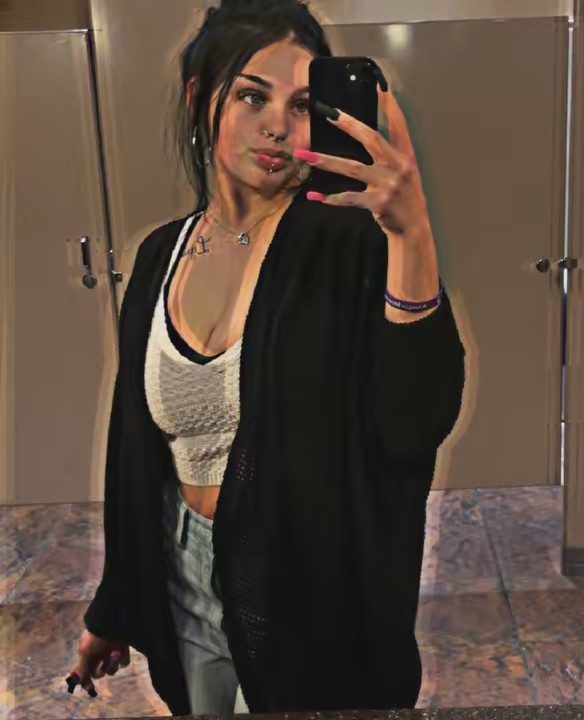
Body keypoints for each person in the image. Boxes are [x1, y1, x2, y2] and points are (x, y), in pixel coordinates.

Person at [70, 0, 465, 715]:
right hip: (182, 586)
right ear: (201, 98)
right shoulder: (159, 255)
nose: (279, 125)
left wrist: (413, 237)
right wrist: (116, 605)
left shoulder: (352, 240)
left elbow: (415, 422)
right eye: (252, 96)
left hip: (310, 602)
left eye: (303, 105)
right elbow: (133, 447)